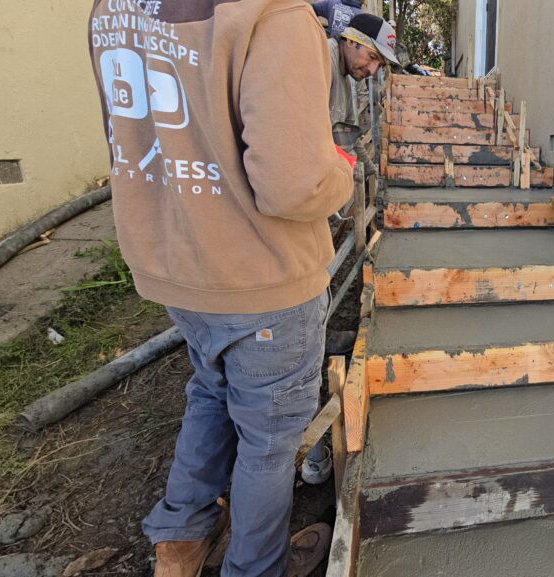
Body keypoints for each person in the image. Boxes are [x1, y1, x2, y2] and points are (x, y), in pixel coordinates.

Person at [87, 0, 353, 575]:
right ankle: (255, 565)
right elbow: (294, 184)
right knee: (269, 439)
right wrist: (341, 173)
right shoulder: (275, 14)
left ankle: (180, 540)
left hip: (177, 261)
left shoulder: (116, 9)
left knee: (211, 388)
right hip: (260, 275)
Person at [326, 13, 400, 180]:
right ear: (351, 40)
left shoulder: (345, 75)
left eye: (379, 65)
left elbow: (349, 137)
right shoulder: (323, 62)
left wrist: (372, 172)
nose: (372, 71)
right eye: (372, 57)